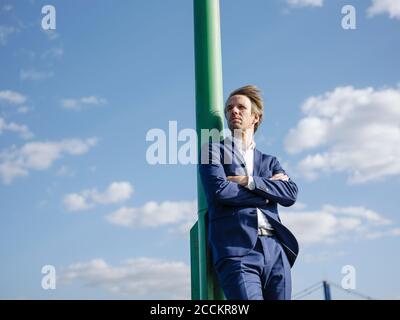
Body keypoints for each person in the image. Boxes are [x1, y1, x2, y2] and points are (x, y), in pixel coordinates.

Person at [199, 85, 299, 300]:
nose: (233, 111)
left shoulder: (270, 161)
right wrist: (267, 192)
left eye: (241, 107)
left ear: (255, 117)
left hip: (276, 250)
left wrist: (248, 181)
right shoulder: (212, 151)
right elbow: (220, 191)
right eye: (229, 108)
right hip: (237, 251)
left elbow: (290, 194)